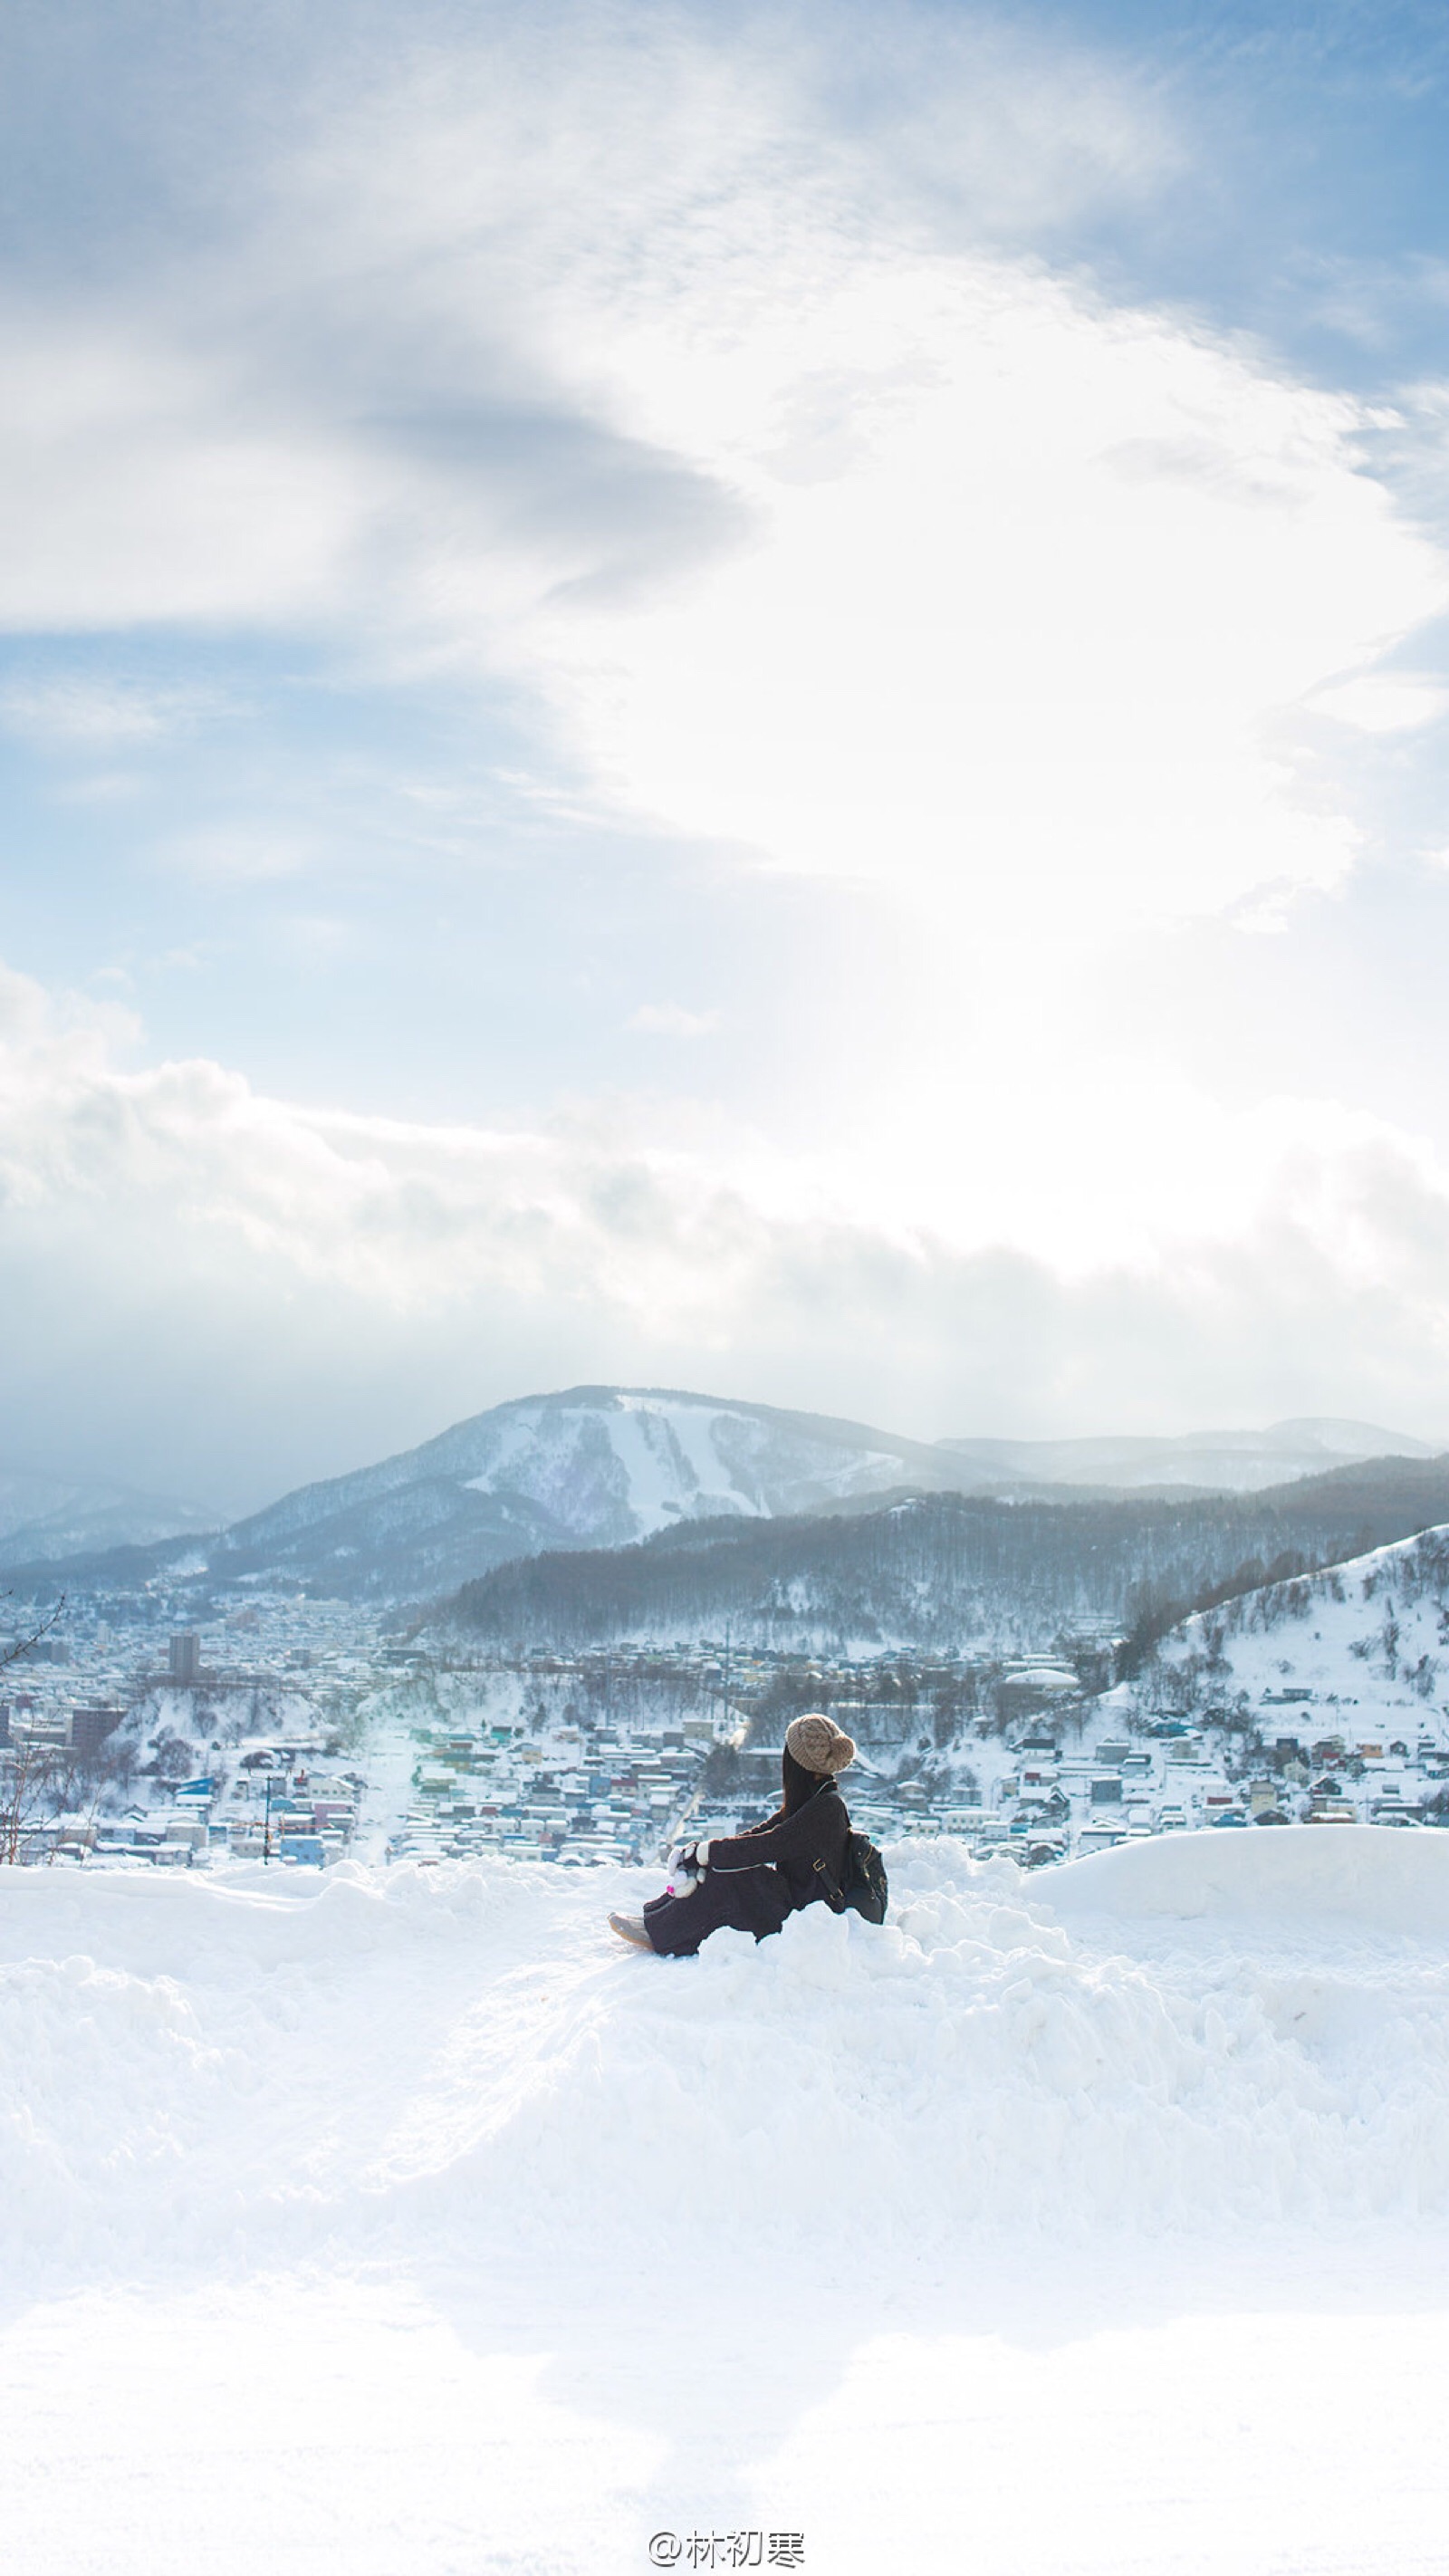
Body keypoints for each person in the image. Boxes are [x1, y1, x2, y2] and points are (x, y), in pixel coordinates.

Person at [608, 1712, 857, 1956]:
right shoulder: (814, 1799)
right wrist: (703, 1852)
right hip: (797, 1899)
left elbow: (768, 1845)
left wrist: (709, 1854)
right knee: (725, 1864)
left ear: (795, 1761)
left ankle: (660, 1933)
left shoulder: (826, 1810)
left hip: (807, 1918)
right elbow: (758, 1835)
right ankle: (654, 1919)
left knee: (729, 1876)